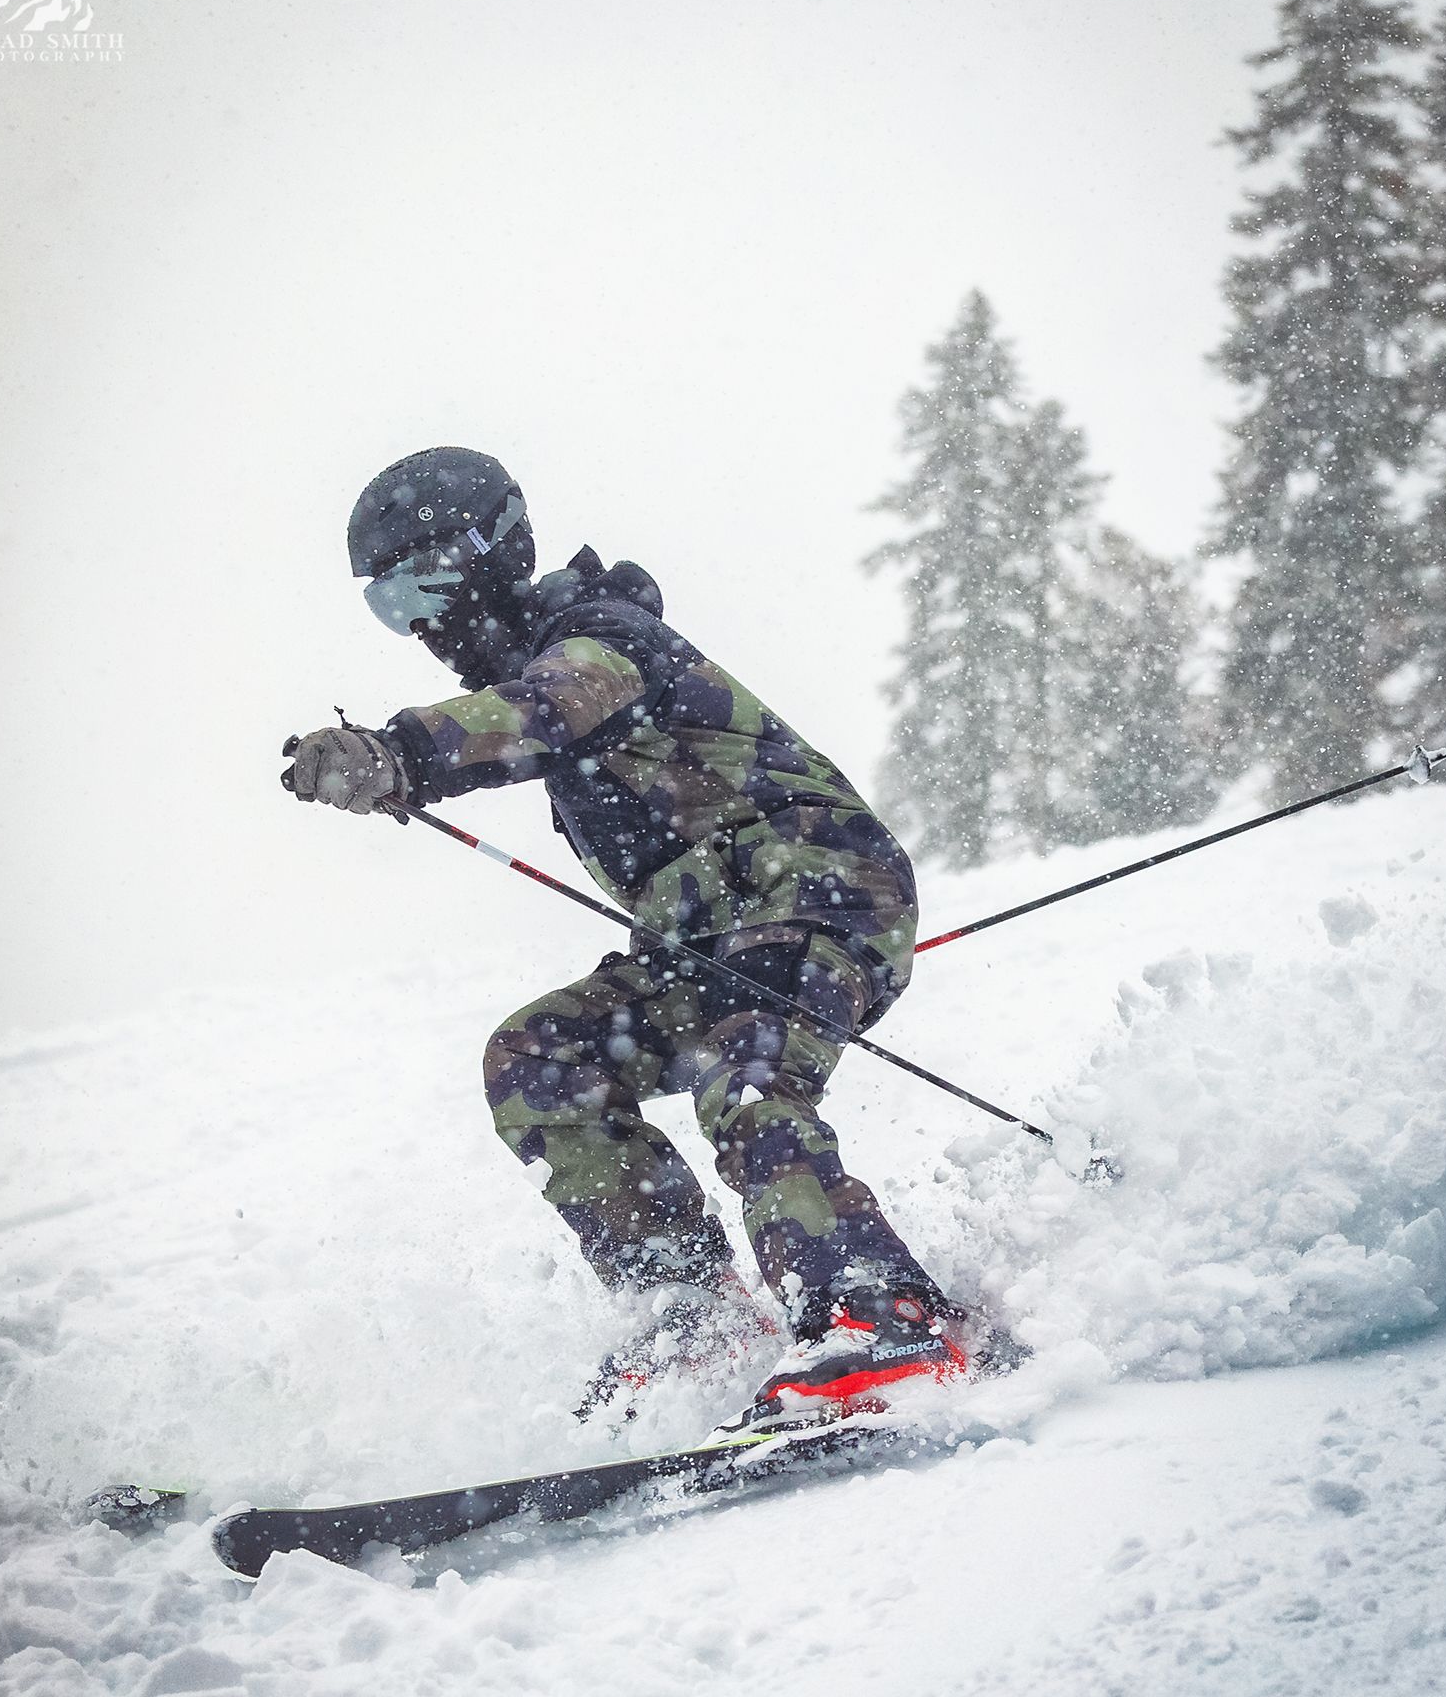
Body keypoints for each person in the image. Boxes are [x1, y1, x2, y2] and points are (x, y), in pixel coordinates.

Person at [283, 447, 980, 1435]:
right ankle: (689, 1317)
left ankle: (882, 1313)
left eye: (425, 578)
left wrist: (403, 752)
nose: (422, 618)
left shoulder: (602, 636)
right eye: (389, 601)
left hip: (817, 886)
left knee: (746, 1070)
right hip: (703, 938)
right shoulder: (546, 665)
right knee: (543, 1058)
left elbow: (551, 707)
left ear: (493, 550)